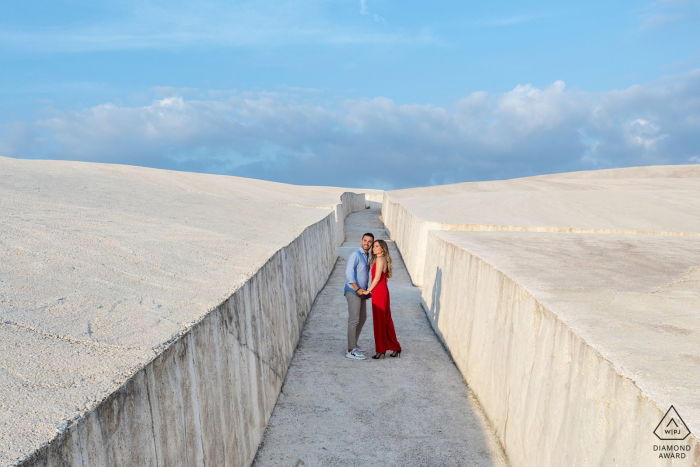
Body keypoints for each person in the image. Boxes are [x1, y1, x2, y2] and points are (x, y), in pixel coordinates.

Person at [363, 239, 401, 359]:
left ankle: (381, 350)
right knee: (386, 320)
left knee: (379, 321)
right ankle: (395, 348)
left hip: (379, 292)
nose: (374, 248)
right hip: (383, 291)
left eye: (377, 246)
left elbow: (377, 277)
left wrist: (368, 290)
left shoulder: (379, 260)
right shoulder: (382, 259)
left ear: (382, 249)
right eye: (373, 246)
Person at [344, 232, 374, 360]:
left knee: (362, 318)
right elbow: (349, 273)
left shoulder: (367, 256)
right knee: (354, 319)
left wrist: (365, 291)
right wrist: (357, 289)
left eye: (369, 241)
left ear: (372, 244)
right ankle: (351, 350)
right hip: (353, 290)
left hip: (362, 292)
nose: (367, 243)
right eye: (365, 240)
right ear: (361, 241)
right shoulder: (355, 255)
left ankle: (354, 344)